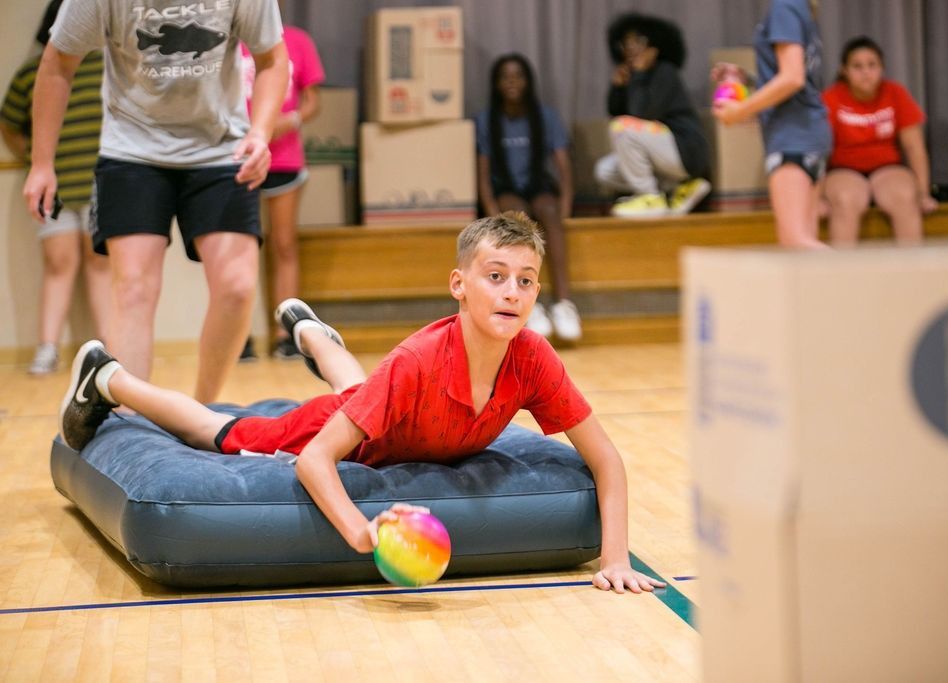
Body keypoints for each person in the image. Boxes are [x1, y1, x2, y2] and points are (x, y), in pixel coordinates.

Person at [59, 212, 664, 594]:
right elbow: (314, 461)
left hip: (392, 414)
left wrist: (614, 559)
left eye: (526, 281)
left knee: (361, 389)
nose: (512, 293)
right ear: (459, 284)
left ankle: (314, 335)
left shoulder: (533, 356)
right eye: (495, 276)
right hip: (361, 435)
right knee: (219, 432)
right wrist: (357, 528)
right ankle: (109, 378)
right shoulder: (416, 361)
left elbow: (606, 460)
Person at [22, 0, 289, 403]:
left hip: (221, 151)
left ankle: (202, 406)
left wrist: (261, 132)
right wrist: (42, 163)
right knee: (133, 289)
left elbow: (273, 58)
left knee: (236, 287)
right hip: (132, 151)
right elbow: (58, 63)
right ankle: (135, 419)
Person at [0, 0, 110, 375]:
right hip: (53, 187)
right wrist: (34, 157)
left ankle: (108, 354)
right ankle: (47, 350)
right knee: (59, 264)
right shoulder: (34, 73)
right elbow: (9, 121)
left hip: (102, 183)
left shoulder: (107, 65)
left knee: (100, 265)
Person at [475, 54, 580, 342]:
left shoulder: (544, 116)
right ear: (496, 84)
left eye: (518, 76)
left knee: (548, 210)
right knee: (518, 216)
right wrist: (492, 212)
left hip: (537, 185)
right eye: (505, 77)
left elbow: (563, 165)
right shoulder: (487, 120)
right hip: (506, 188)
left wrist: (566, 203)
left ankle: (564, 304)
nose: (512, 82)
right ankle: (531, 307)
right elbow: (482, 174)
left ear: (528, 81)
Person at [713, 0, 831, 249]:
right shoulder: (799, 6)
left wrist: (740, 111)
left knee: (796, 243)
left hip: (792, 137)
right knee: (804, 247)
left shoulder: (784, 7)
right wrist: (748, 78)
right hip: (810, 133)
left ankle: (862, 283)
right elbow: (798, 77)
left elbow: (792, 78)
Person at [238, 24, 326, 361]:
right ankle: (240, 337)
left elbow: (312, 101)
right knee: (240, 249)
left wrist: (289, 121)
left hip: (285, 158)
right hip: (239, 158)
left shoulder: (298, 40)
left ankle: (286, 335)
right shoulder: (232, 41)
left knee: (284, 244)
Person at [821, 36, 937, 245]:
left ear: (882, 68)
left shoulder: (896, 93)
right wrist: (816, 198)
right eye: (857, 66)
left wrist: (923, 193)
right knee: (847, 200)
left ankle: (914, 271)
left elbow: (914, 147)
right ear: (844, 71)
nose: (866, 72)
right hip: (843, 169)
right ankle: (839, 274)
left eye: (872, 65)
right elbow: (818, 151)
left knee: (903, 197)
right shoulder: (831, 98)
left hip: (887, 167)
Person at [596, 13, 711, 218]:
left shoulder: (665, 72)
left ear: (655, 46)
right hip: (661, 155)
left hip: (685, 151)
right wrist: (618, 88)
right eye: (626, 43)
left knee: (621, 127)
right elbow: (616, 112)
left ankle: (649, 196)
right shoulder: (634, 78)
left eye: (638, 41)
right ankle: (676, 190)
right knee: (604, 171)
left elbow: (643, 115)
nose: (630, 48)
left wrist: (639, 75)